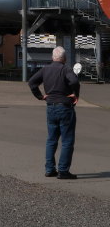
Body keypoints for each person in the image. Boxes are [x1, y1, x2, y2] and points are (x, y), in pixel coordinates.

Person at [28, 46, 80, 180]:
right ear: (65, 58)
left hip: (50, 106)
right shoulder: (66, 69)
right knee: (67, 140)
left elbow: (32, 82)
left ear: (52, 57)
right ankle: (63, 170)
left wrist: (40, 96)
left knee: (51, 139)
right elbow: (74, 81)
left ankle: (50, 169)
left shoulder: (45, 69)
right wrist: (75, 95)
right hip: (65, 107)